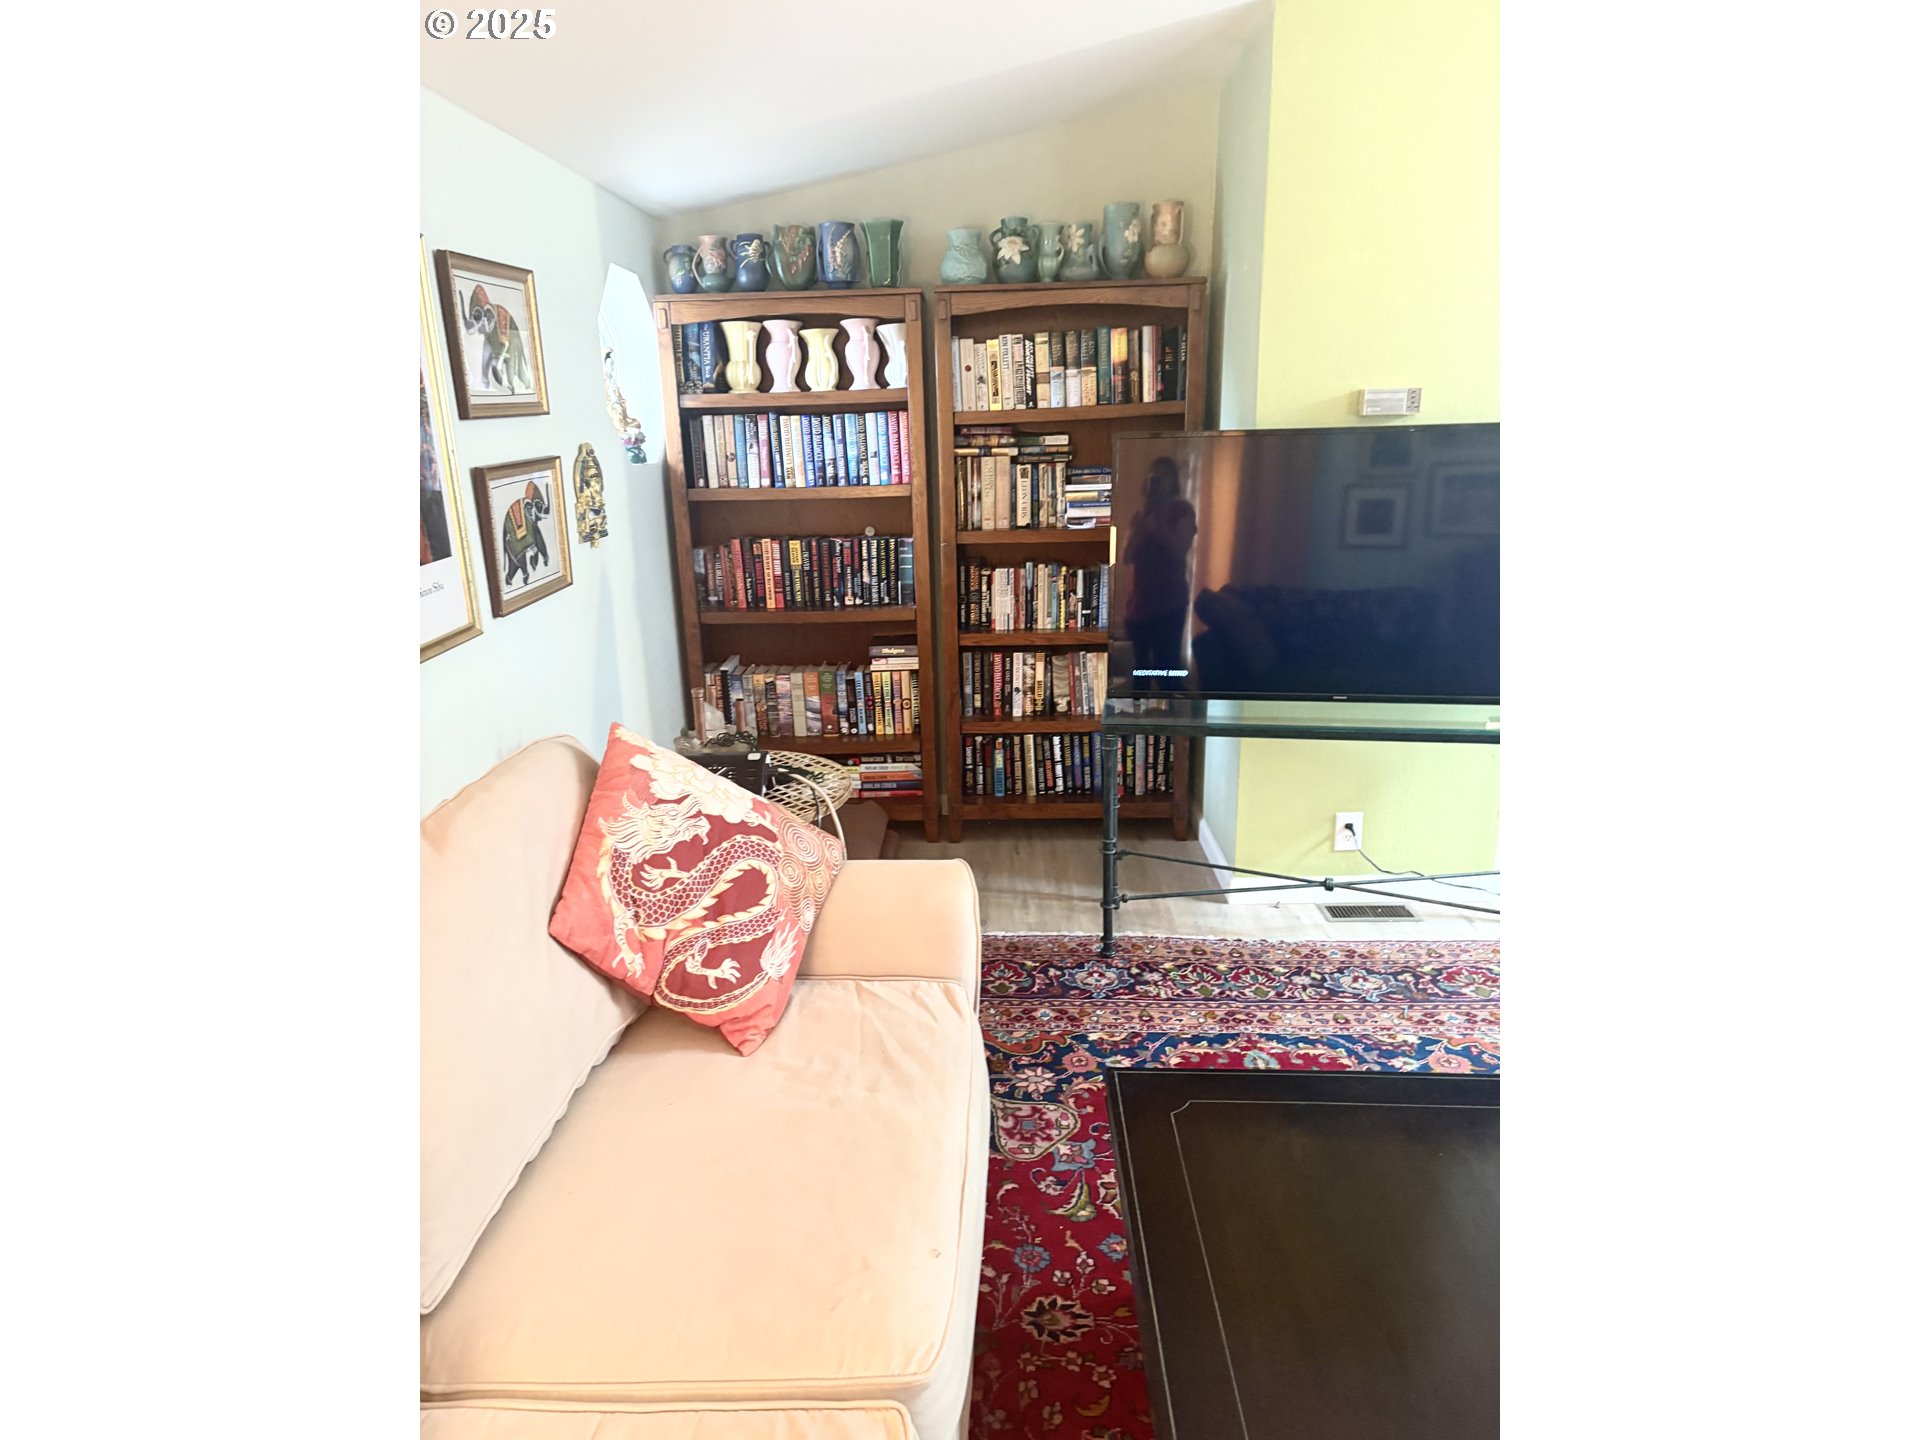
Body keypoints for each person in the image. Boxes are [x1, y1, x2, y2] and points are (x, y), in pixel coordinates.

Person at [1121, 457, 1197, 690]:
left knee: (1168, 671)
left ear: (1174, 481)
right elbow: (1126, 557)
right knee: (1141, 673)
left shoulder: (1183, 510)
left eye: (1163, 476)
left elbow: (1178, 551)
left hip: (1169, 605)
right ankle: (1139, 722)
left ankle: (1174, 722)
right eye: (1154, 477)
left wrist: (1159, 525)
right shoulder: (1141, 515)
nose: (1158, 482)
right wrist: (1145, 523)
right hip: (1139, 607)